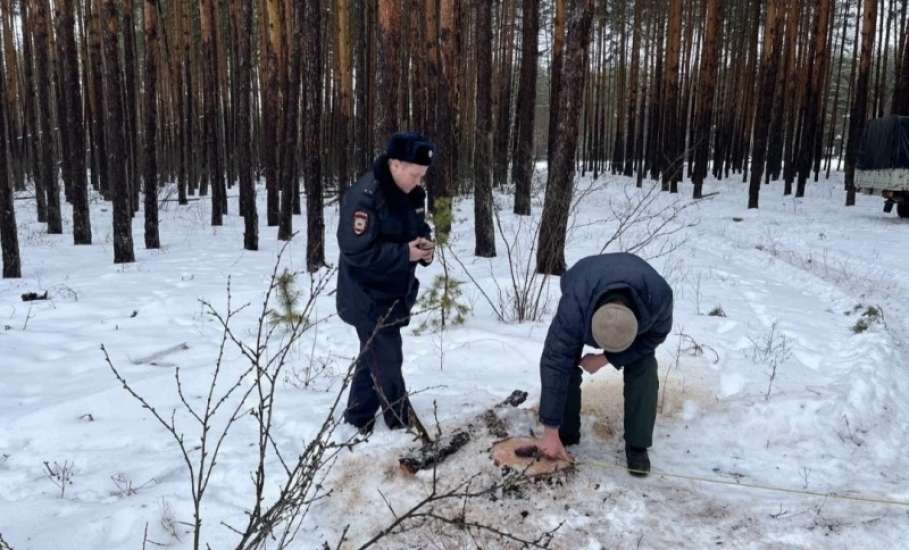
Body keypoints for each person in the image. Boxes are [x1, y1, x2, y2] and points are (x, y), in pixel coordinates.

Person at [534, 253, 673, 476]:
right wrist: (550, 430)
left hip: (637, 290)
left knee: (644, 366)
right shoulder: (575, 307)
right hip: (587, 280)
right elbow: (555, 361)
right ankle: (565, 432)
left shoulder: (658, 299)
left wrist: (606, 358)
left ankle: (637, 444)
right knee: (565, 363)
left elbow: (653, 338)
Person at [336, 132, 435, 434]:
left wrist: (425, 248)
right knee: (388, 359)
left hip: (393, 293)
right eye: (414, 174)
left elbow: (418, 227)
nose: (419, 181)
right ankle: (402, 425)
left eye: (423, 176)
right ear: (394, 164)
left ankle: (357, 416)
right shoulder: (365, 197)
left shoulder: (411, 193)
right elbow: (356, 251)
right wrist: (405, 252)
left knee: (373, 356)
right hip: (365, 295)